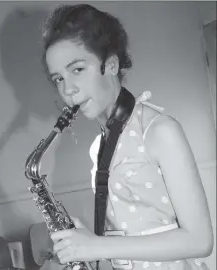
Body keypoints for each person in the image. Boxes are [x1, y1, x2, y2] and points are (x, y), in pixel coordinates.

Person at [41, 3, 214, 270]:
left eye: (77, 70)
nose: (68, 90)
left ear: (111, 64)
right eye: (58, 79)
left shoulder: (160, 131)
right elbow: (130, 235)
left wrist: (97, 246)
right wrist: (85, 244)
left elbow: (200, 240)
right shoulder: (101, 144)